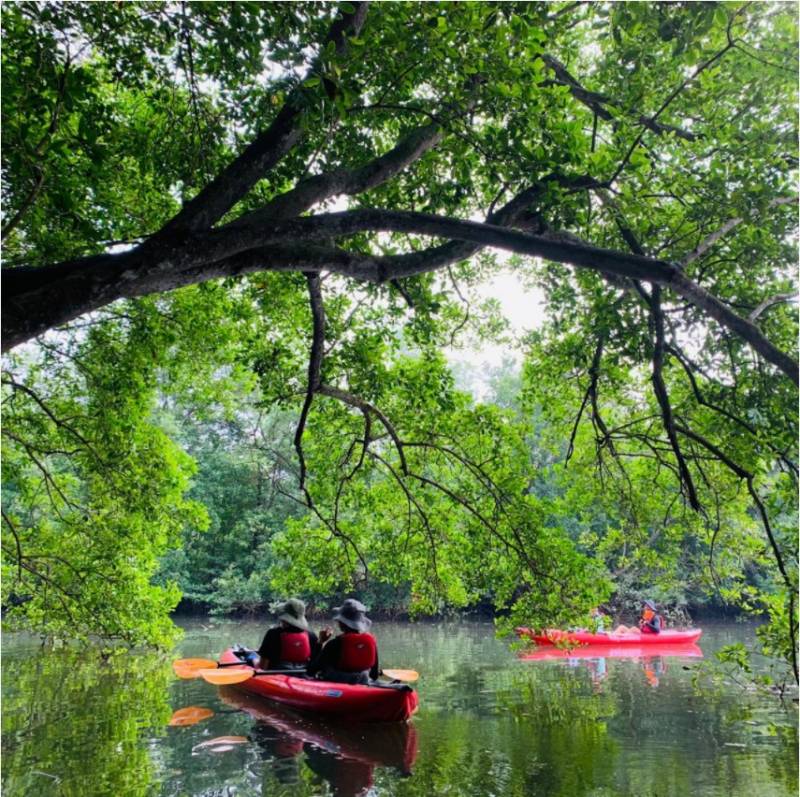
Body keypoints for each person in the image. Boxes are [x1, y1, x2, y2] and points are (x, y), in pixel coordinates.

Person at [307, 598, 380, 685]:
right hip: (363, 682)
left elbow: (311, 670)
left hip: (338, 687)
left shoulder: (334, 644)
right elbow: (374, 675)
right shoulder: (370, 641)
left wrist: (320, 642)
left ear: (342, 623)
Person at [252, 598, 321, 670]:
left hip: (276, 676)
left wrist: (254, 661)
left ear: (284, 617)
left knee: (251, 656)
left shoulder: (273, 634)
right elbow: (315, 663)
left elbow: (263, 667)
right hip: (302, 675)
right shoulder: (311, 635)